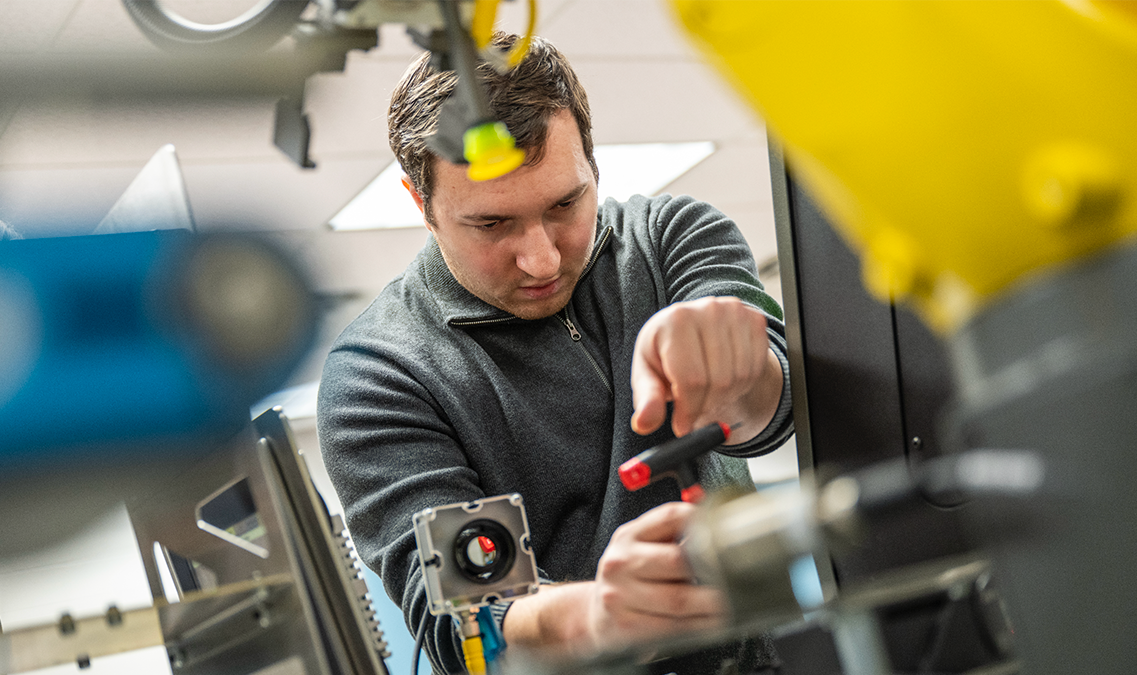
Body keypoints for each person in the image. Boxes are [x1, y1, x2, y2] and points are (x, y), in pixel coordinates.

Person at [317, 33, 793, 675]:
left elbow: (772, 410)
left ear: (593, 166)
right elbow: (470, 619)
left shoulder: (672, 238)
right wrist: (601, 617)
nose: (540, 259)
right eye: (491, 225)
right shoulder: (380, 373)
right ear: (420, 204)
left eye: (565, 204)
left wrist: (740, 369)